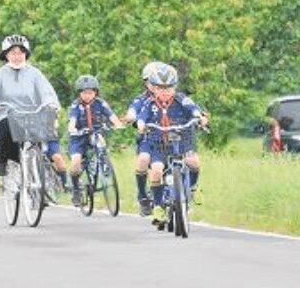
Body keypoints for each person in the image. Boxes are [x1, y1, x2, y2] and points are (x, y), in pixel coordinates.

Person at [0, 34, 66, 193]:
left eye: (20, 52)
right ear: (6, 55)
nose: (17, 56)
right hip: (6, 114)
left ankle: (43, 175)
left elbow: (47, 92)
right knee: (6, 130)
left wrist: (51, 104)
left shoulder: (35, 73)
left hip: (33, 115)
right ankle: (7, 167)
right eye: (13, 52)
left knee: (42, 142)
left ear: (26, 54)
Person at [134, 63, 208, 227]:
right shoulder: (149, 103)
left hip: (183, 141)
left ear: (174, 87)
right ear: (154, 88)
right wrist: (140, 124)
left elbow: (193, 109)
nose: (165, 92)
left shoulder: (181, 99)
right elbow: (141, 117)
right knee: (157, 171)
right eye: (160, 88)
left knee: (193, 161)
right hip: (158, 144)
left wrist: (200, 118)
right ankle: (159, 205)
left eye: (168, 88)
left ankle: (193, 188)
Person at [65, 75, 125, 206]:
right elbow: (73, 120)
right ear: (80, 93)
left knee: (100, 140)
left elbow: (111, 115)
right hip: (78, 137)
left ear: (95, 92)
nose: (87, 95)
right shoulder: (76, 105)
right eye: (84, 92)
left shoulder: (100, 103)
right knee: (75, 162)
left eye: (90, 92)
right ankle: (76, 189)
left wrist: (118, 124)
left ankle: (104, 163)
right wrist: (72, 128)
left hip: (96, 133)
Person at [126, 61, 161, 213]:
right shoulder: (141, 99)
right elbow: (133, 111)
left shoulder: (172, 96)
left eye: (156, 81)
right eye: (149, 82)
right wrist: (132, 117)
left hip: (171, 138)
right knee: (143, 159)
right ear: (145, 83)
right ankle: (142, 196)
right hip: (149, 137)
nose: (153, 85)